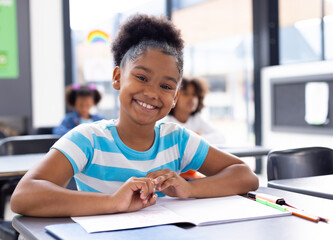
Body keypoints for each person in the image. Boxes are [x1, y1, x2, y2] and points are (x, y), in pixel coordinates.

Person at [10, 14, 258, 217]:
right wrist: (112, 202)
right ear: (118, 78)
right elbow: (24, 196)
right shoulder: (88, 139)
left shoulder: (177, 140)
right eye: (141, 77)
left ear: (175, 97)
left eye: (166, 86)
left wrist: (189, 188)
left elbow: (245, 175)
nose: (151, 93)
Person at [161, 77, 225, 145]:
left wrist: (197, 138)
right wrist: (194, 138)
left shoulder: (197, 119)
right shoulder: (166, 122)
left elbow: (221, 138)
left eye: (194, 94)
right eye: (186, 94)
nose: (191, 98)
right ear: (175, 97)